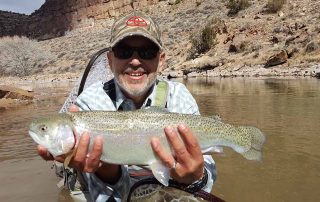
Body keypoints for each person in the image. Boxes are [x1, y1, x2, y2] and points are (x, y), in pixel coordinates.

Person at [37, 11, 216, 201]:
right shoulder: (89, 103)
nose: (136, 61)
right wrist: (107, 171)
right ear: (110, 60)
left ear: (161, 60)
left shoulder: (178, 96)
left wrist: (195, 177)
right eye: (124, 51)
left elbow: (207, 171)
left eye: (147, 52)